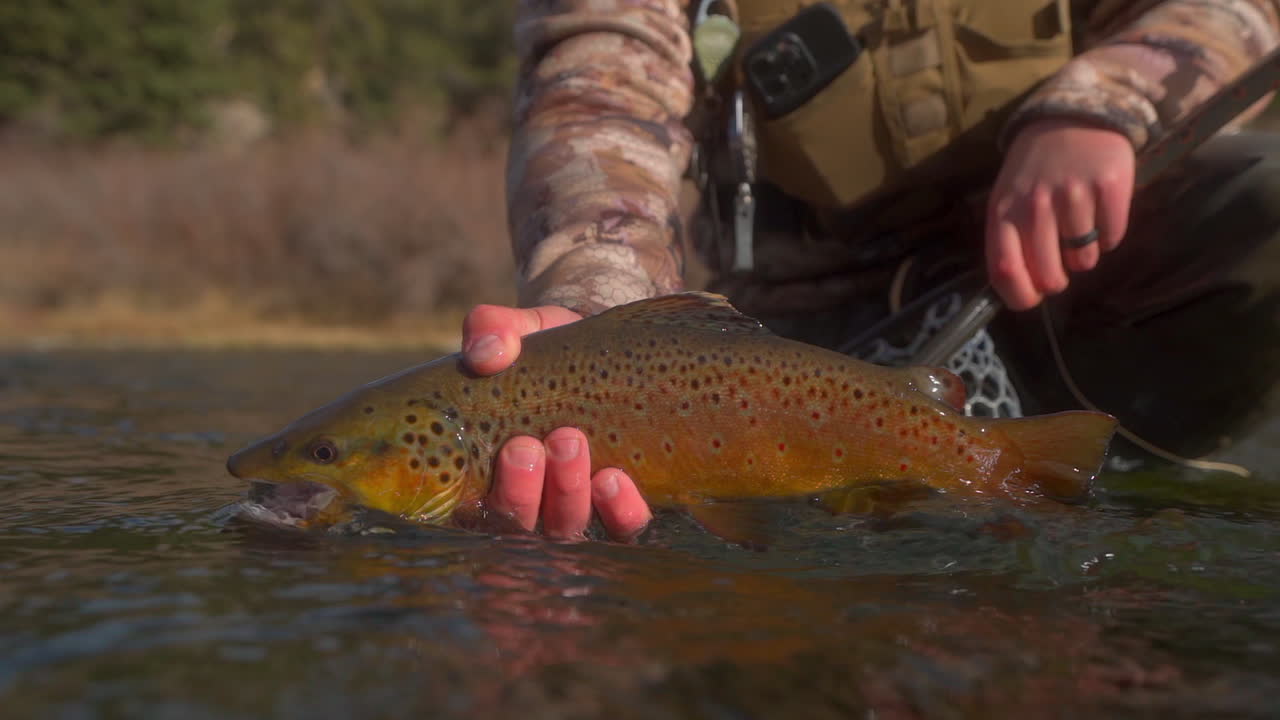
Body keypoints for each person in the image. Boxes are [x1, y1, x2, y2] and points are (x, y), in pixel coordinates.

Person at [462, 0, 1280, 541]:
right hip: (790, 343)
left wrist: (1102, 106)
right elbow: (600, 84)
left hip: (1074, 275)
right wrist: (601, 307)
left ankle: (1141, 451)